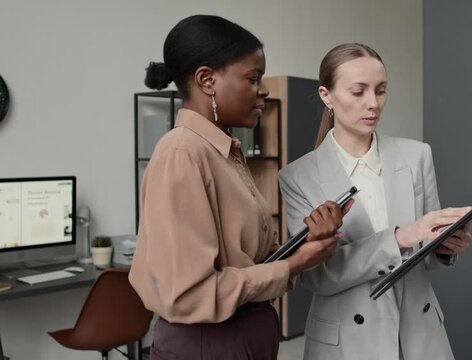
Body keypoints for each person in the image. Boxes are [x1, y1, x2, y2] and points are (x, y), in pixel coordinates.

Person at [129, 15, 352, 360]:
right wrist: (292, 266)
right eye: (253, 78)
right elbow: (189, 294)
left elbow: (244, 260)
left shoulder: (224, 151)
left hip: (243, 338)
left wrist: (304, 245)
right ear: (206, 80)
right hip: (209, 344)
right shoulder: (182, 152)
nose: (263, 89)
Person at [278, 43, 472, 360]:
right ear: (327, 96)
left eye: (381, 91)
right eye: (358, 92)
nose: (373, 104)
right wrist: (401, 237)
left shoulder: (416, 156)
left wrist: (442, 247)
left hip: (419, 335)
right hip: (346, 343)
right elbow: (317, 277)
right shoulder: (298, 177)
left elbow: (426, 259)